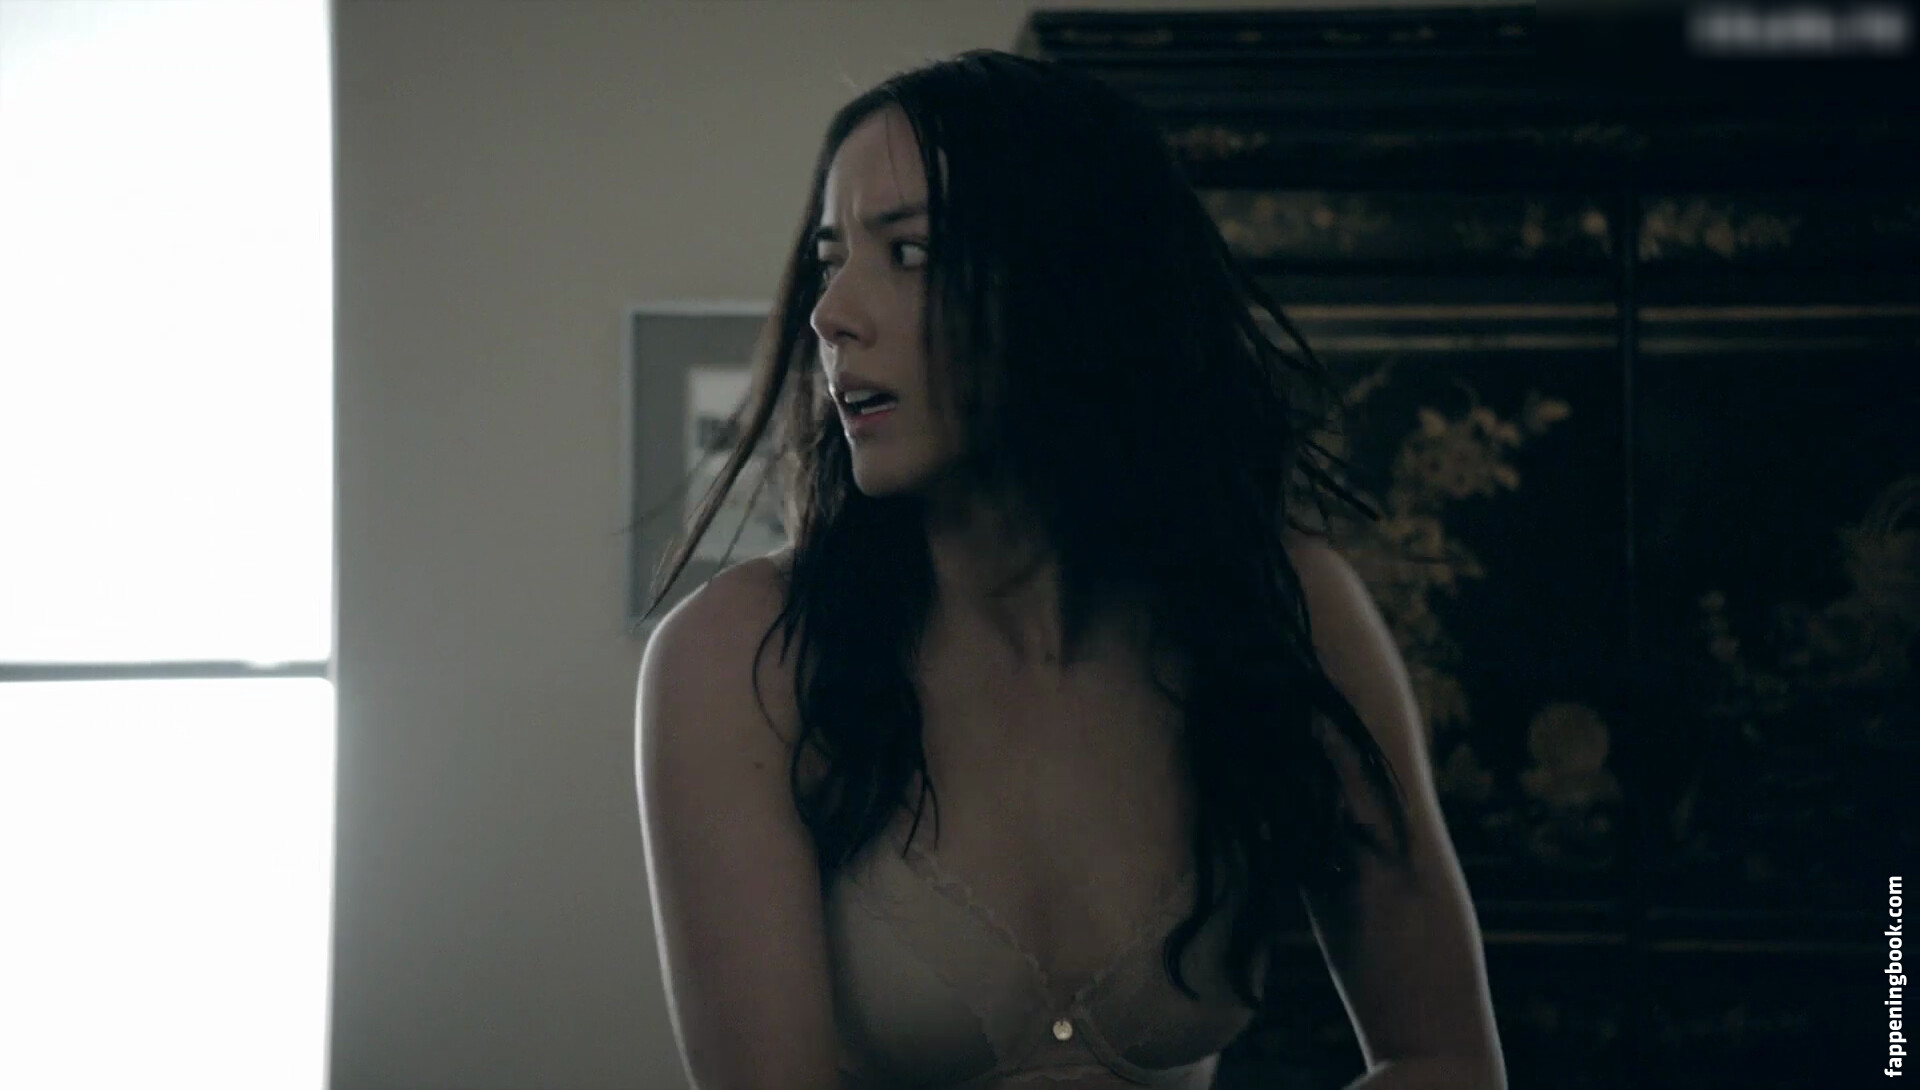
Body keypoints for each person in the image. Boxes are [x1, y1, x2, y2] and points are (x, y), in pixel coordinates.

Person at [633, 49, 1506, 1090]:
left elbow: (1444, 1057)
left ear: (1078, 287)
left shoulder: (1288, 611)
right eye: (833, 259)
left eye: (909, 252)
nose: (832, 313)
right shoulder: (747, 661)